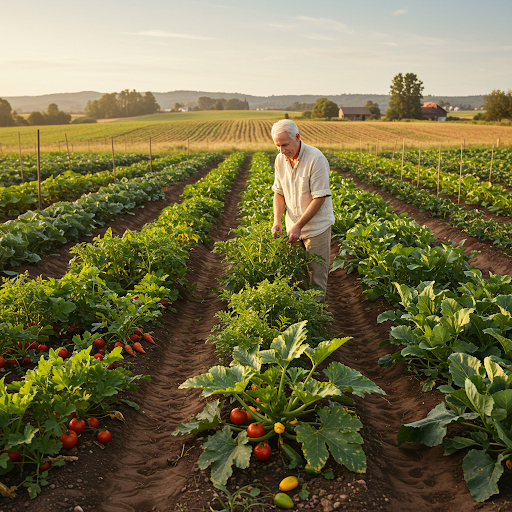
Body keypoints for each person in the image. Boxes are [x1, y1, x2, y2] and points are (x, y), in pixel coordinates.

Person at [270, 119, 335, 301]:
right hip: (293, 228)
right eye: (277, 146)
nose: (281, 150)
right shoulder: (280, 160)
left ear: (297, 137)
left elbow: (319, 198)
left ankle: (316, 319)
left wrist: (299, 225)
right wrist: (277, 220)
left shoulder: (316, 159)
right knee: (296, 276)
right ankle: (300, 315)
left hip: (316, 228)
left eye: (285, 145)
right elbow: (279, 192)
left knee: (316, 276)